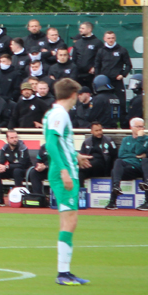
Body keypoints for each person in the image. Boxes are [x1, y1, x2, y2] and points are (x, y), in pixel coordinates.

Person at [44, 78, 88, 284]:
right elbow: (51, 144)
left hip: (66, 167)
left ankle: (65, 271)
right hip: (63, 171)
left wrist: (76, 155)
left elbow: (60, 143)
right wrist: (64, 170)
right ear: (73, 95)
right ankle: (63, 272)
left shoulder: (55, 113)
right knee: (70, 220)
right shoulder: (60, 114)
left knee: (67, 220)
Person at [104, 117, 148, 210]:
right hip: (130, 166)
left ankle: (147, 202)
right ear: (131, 127)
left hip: (142, 167)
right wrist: (136, 155)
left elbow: (138, 150)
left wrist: (140, 138)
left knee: (145, 161)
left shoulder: (146, 139)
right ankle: (114, 197)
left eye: (142, 126)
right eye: (138, 126)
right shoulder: (126, 140)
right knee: (117, 163)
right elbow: (121, 154)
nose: (141, 129)